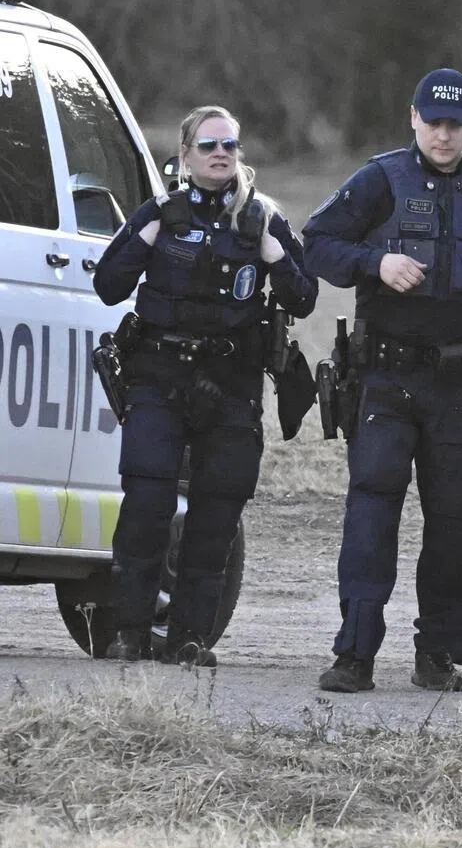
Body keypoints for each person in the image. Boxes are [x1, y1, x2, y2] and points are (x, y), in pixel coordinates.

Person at [303, 67, 462, 694]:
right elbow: (316, 244)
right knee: (372, 510)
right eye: (433, 122)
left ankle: (438, 655)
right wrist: (375, 261)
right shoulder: (380, 180)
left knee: (453, 521)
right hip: (385, 378)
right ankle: (354, 655)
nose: (444, 135)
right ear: (413, 120)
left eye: (456, 123)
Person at [93, 106, 317, 666]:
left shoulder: (262, 218)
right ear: (186, 155)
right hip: (159, 379)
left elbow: (305, 297)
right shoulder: (160, 214)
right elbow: (107, 284)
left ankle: (191, 639)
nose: (222, 154)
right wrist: (144, 234)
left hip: (231, 384)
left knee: (215, 515)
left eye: (231, 146)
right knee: (146, 506)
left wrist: (273, 252)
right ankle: (129, 634)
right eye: (209, 145)